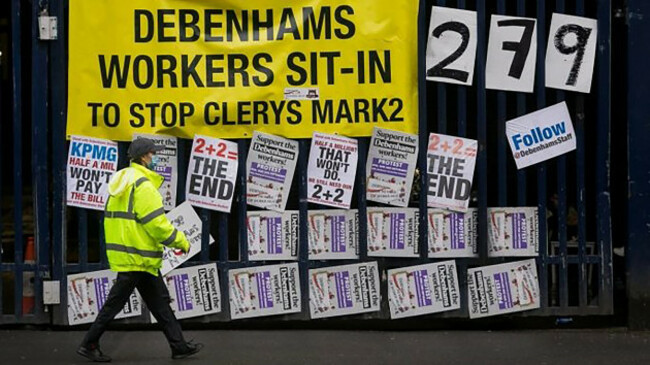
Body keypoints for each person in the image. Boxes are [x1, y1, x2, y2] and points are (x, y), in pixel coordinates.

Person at [77, 138, 203, 362]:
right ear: (144, 157)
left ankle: (179, 345)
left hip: (133, 255)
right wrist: (181, 241)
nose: (155, 158)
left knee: (159, 302)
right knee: (114, 304)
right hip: (138, 256)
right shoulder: (143, 186)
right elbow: (157, 225)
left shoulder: (121, 181)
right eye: (153, 154)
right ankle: (89, 343)